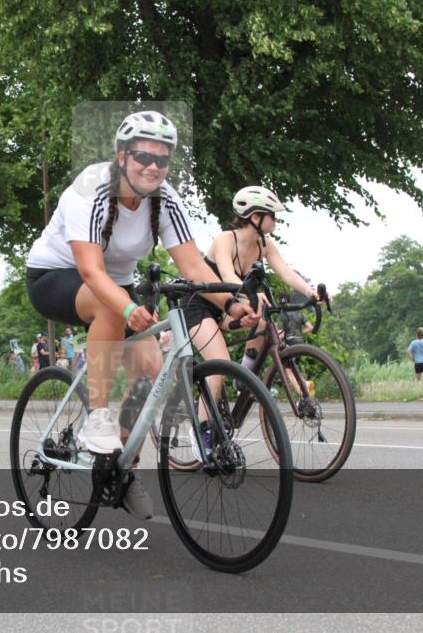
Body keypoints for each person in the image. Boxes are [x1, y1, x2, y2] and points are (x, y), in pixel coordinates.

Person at [25, 111, 258, 519]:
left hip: (117, 285)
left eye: (161, 159)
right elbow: (90, 271)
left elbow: (193, 266)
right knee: (111, 308)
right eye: (143, 156)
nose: (153, 166)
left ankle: (122, 469)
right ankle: (98, 419)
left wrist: (231, 301)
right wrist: (129, 307)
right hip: (56, 275)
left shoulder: (165, 199)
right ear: (121, 156)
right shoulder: (91, 188)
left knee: (150, 372)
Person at [179, 186, 317, 441]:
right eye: (272, 215)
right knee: (219, 362)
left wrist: (310, 291)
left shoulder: (265, 245)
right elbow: (227, 275)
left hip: (230, 306)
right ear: (255, 217)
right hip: (199, 305)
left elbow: (286, 272)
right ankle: (201, 432)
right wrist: (249, 295)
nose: (276, 221)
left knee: (266, 326)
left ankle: (244, 376)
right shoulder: (225, 240)